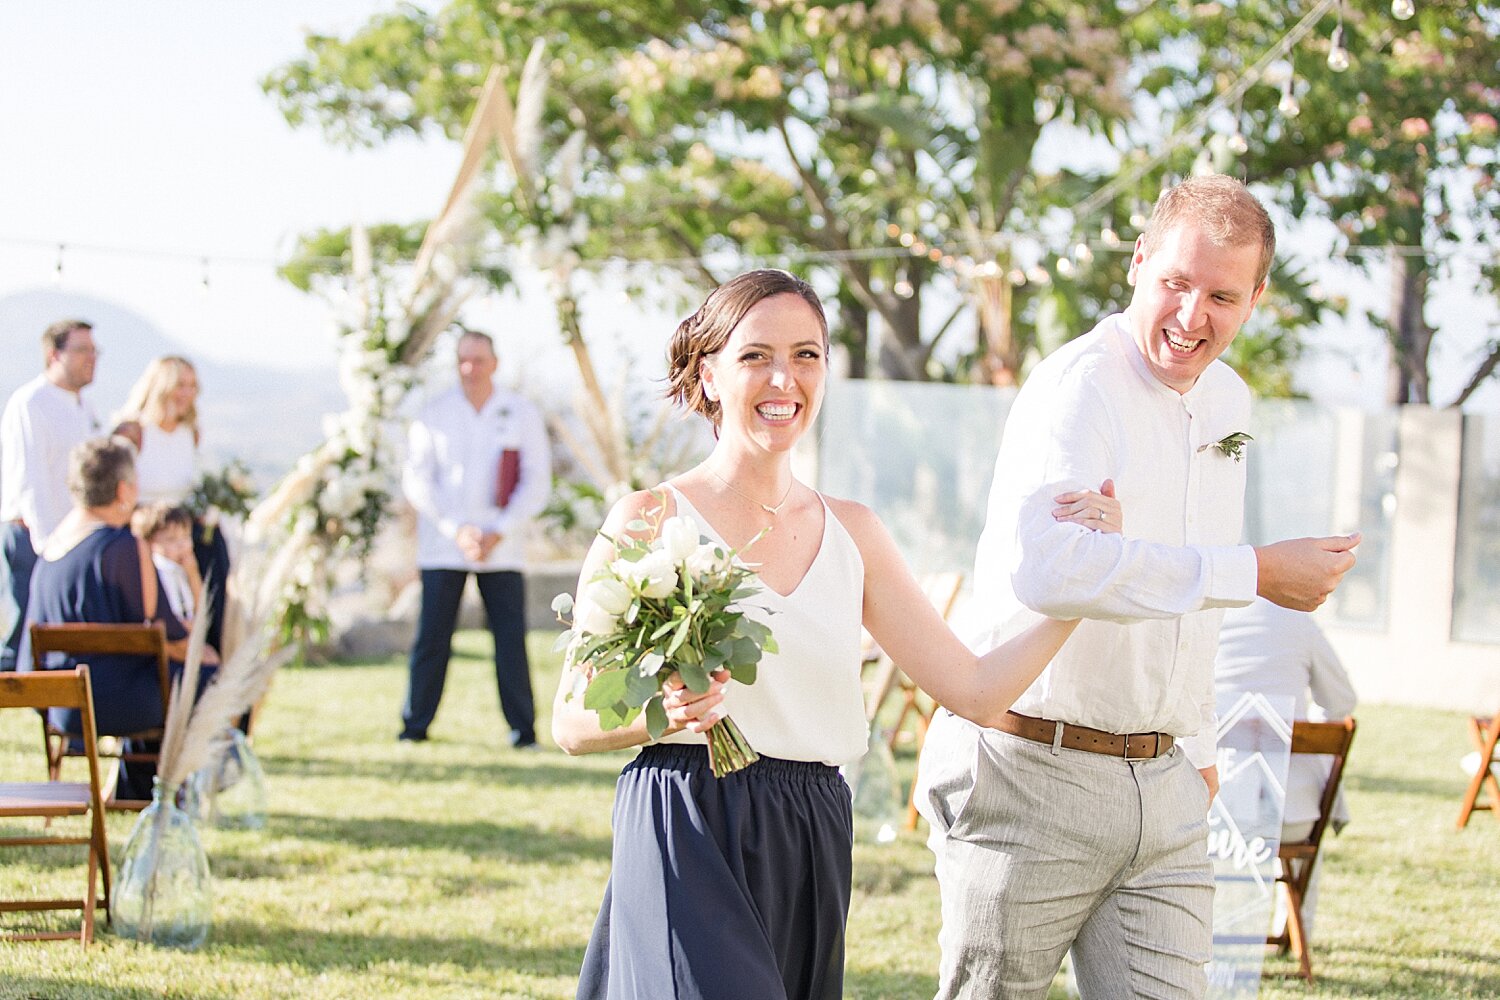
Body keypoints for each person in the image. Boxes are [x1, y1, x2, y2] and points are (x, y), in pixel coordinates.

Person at [552, 269, 1123, 1000]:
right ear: (710, 373)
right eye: (755, 355)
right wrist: (663, 710)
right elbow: (570, 719)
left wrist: (1081, 590)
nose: (783, 377)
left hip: (810, 826)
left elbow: (975, 691)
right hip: (687, 815)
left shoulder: (855, 533)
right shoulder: (646, 520)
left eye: (807, 354)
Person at [914, 175, 1361, 1000]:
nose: (1193, 317)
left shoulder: (1229, 398)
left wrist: (1193, 745)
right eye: (1177, 284)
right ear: (1138, 261)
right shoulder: (1077, 387)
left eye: (1222, 295)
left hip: (1165, 785)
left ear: (1256, 298)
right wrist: (1259, 571)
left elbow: (1186, 582)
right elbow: (1052, 570)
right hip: (1030, 773)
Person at [18, 437, 216, 800]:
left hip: (60, 708)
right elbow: (170, 640)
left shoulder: (50, 549)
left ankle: (134, 785)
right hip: (118, 706)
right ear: (123, 489)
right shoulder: (124, 547)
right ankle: (166, 790)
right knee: (207, 674)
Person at [399, 328, 552, 747]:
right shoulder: (433, 412)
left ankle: (523, 731)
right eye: (463, 360)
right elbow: (418, 479)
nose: (470, 368)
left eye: (479, 360)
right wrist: (456, 529)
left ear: (495, 364)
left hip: (503, 546)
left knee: (508, 640)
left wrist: (499, 530)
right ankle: (414, 728)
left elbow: (537, 481)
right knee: (432, 639)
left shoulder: (520, 412)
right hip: (443, 546)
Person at [1214, 597, 1355, 942]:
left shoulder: (1212, 618)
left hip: (1216, 816)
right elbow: (1342, 703)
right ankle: (1295, 932)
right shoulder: (1300, 623)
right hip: (1291, 818)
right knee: (1305, 793)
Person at [1, 319, 102, 672]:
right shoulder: (31, 402)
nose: (92, 357)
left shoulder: (85, 407)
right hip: (35, 534)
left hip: (70, 537)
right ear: (53, 354)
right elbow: (31, 480)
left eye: (93, 350)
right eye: (82, 350)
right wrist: (48, 544)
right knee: (24, 634)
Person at [118, 355, 230, 650]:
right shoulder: (133, 432)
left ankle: (213, 650)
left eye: (193, 386)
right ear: (161, 386)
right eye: (180, 384)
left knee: (216, 552)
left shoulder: (190, 433)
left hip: (183, 530)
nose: (188, 393)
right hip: (143, 534)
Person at [132, 502, 203, 626]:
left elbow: (199, 608)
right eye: (172, 539)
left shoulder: (183, 569)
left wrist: (193, 574)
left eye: (186, 537)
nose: (182, 545)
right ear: (150, 543)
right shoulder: (157, 571)